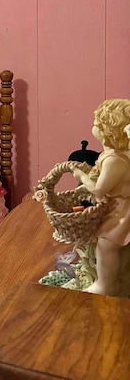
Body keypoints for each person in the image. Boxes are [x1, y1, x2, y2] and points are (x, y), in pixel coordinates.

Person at [73, 98, 130, 295]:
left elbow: (98, 190)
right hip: (117, 205)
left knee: (107, 244)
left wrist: (81, 176)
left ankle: (106, 285)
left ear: (109, 131)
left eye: (97, 124)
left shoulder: (115, 160)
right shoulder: (114, 153)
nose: (94, 127)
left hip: (121, 209)